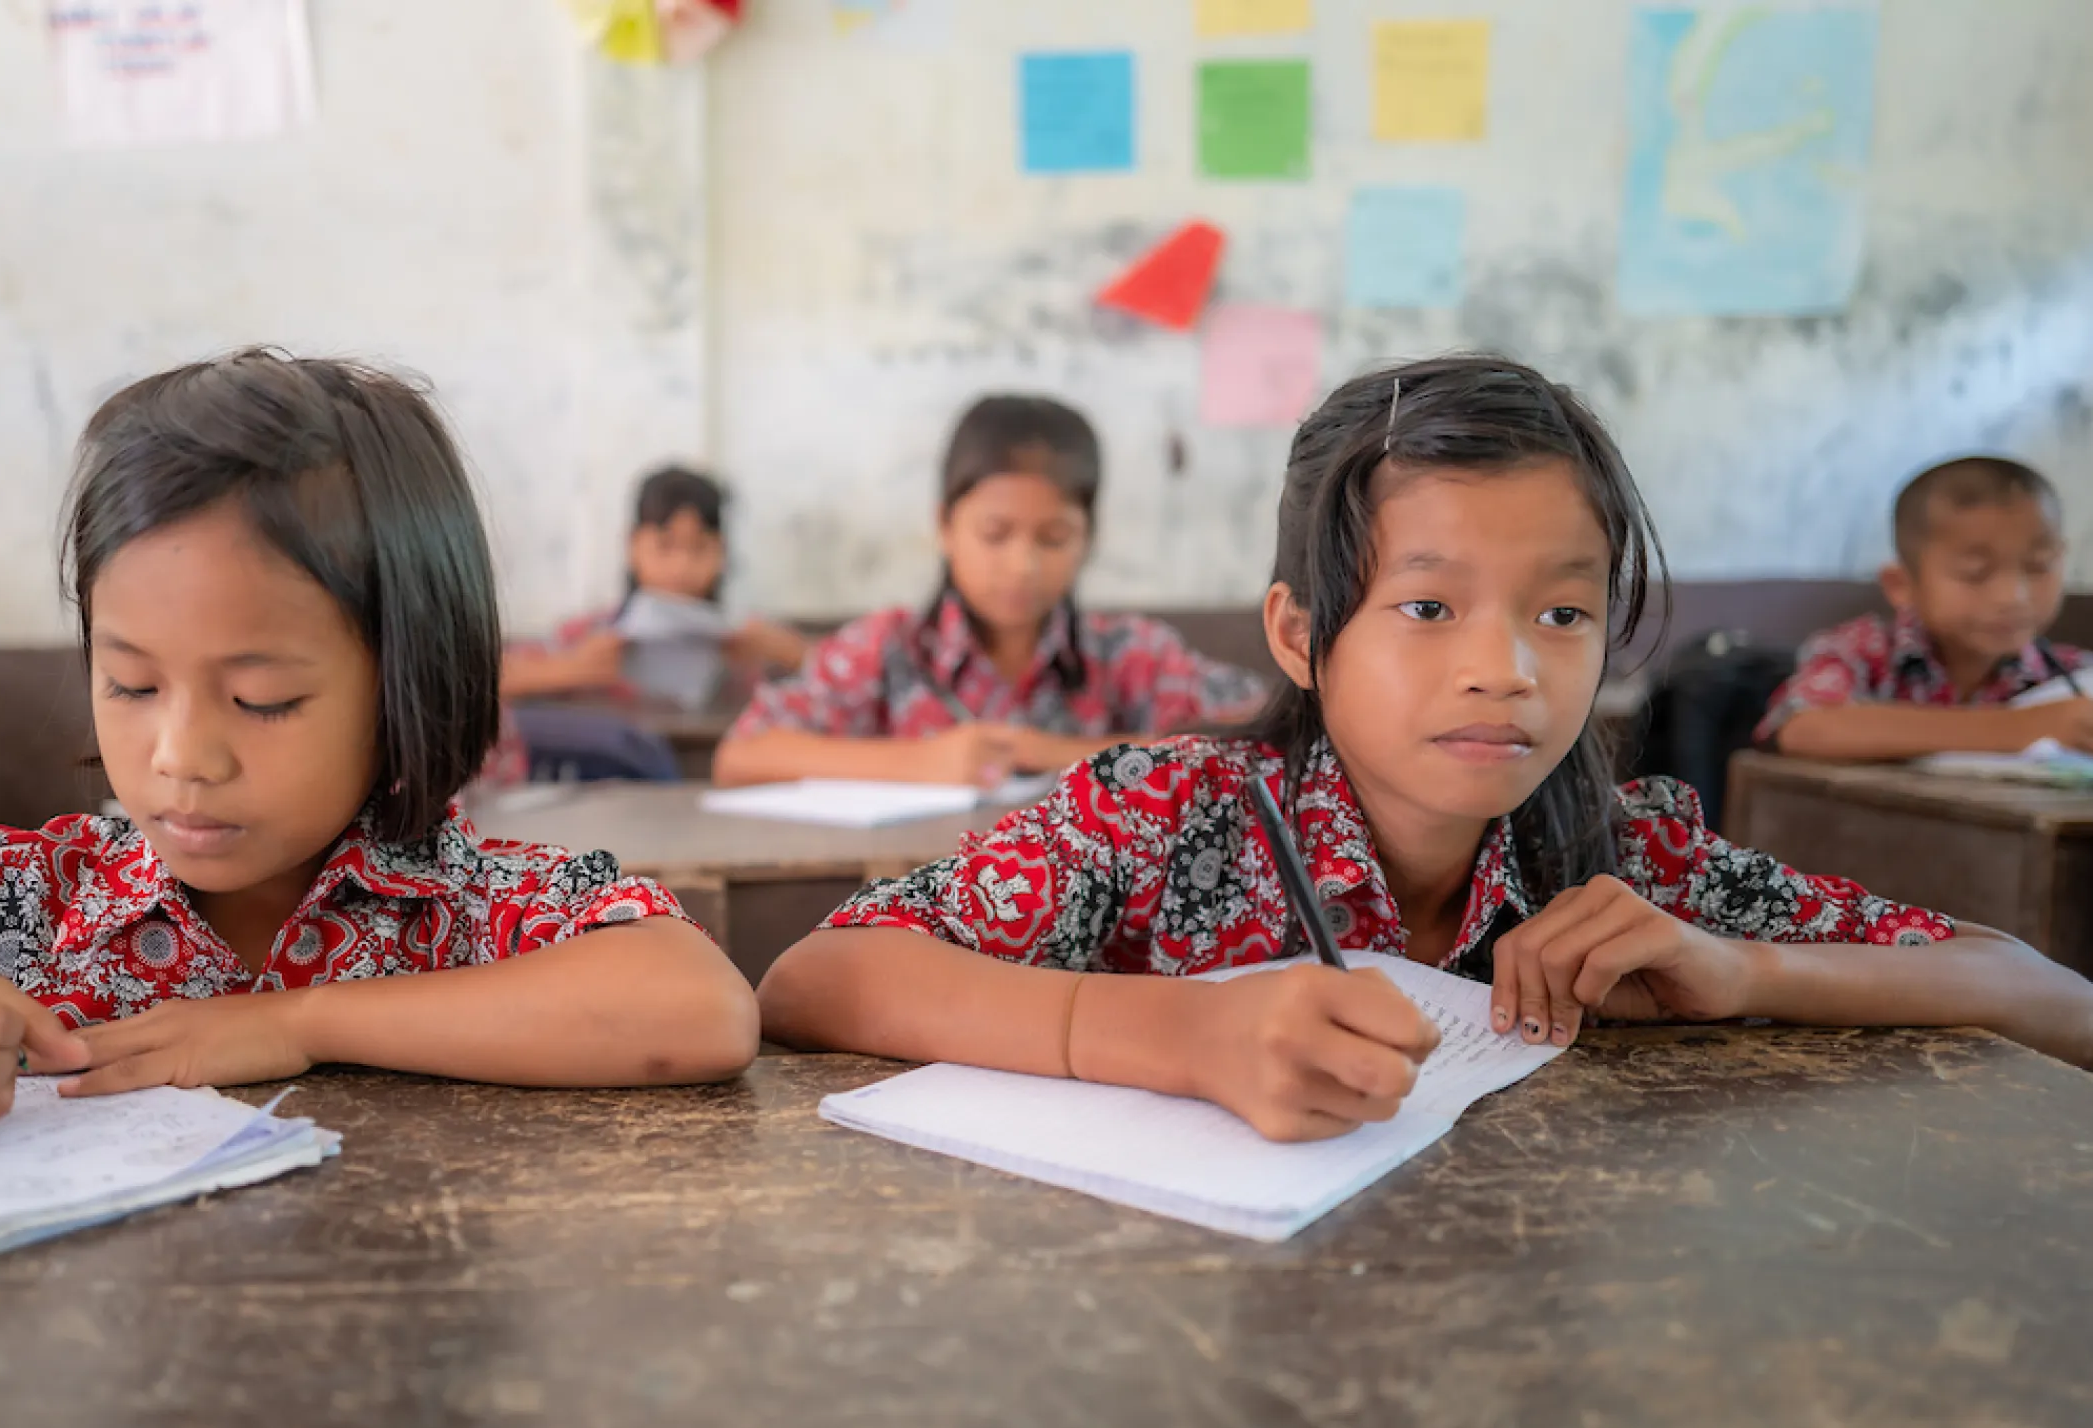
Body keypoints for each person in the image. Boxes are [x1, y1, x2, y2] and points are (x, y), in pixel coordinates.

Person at [756, 356, 2093, 1142]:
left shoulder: (1623, 856)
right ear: (1299, 634)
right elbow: (816, 979)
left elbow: (2043, 995)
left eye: (1563, 612)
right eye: (1429, 606)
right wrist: (1179, 1033)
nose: (1504, 667)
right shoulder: (1168, 814)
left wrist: (1738, 971)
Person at [0, 351, 758, 1139]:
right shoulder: (3, 903)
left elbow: (698, 1009)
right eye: (131, 684)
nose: (181, 756)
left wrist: (289, 1024)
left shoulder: (457, 910)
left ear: (407, 683)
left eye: (262, 701)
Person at [711, 395, 1265, 789]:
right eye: (995, 535)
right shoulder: (889, 648)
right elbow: (742, 753)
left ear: (1088, 537)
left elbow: (1258, 733)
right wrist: (922, 763)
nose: (1022, 566)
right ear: (945, 526)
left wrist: (1052, 754)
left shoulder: (1129, 653)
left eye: (1053, 538)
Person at [1758, 456, 2090, 760]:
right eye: (1975, 573)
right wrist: (2018, 727)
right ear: (1901, 585)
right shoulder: (1862, 653)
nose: (2013, 597)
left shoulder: (2069, 675)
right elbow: (1806, 727)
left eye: (2038, 566)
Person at [502, 465, 810, 702]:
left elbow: (843, 679)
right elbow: (489, 679)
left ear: (723, 552)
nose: (682, 566)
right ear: (632, 545)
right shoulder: (591, 638)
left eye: (700, 547)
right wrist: (569, 668)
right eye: (665, 545)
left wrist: (793, 654)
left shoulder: (753, 646)